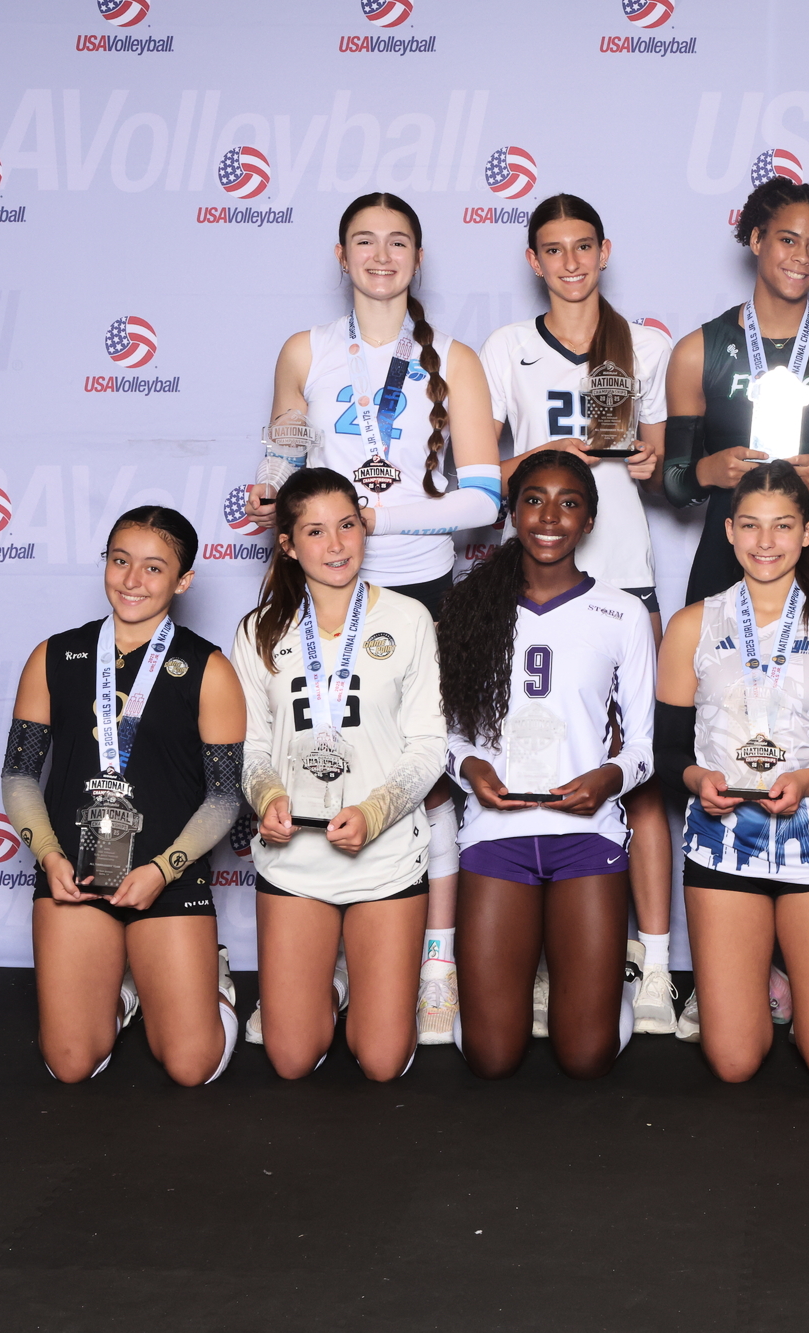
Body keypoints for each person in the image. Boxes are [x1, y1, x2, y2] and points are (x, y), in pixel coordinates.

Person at [245, 192, 497, 1050]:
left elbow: (483, 499)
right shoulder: (305, 351)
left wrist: (378, 517)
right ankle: (329, 961)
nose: (381, 256)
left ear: (418, 258)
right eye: (364, 241)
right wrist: (270, 489)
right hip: (317, 583)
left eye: (397, 243)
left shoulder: (455, 359)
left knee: (428, 773)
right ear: (340, 254)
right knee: (311, 748)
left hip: (418, 588)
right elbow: (282, 456)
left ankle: (435, 961)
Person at [477, 195, 677, 1036]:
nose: (570, 263)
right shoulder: (506, 348)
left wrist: (650, 456)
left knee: (639, 764)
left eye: (583, 247)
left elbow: (660, 464)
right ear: (533, 260)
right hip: (529, 576)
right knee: (521, 742)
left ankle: (655, 964)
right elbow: (483, 477)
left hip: (622, 572)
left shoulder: (645, 344)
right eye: (553, 249)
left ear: (604, 250)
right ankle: (530, 958)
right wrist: (550, 458)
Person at [654, 462, 809, 1082]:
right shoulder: (691, 625)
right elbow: (666, 755)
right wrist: (696, 781)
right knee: (734, 1062)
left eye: (783, 526)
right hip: (723, 837)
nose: (766, 542)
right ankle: (770, 976)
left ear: (808, 532)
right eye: (751, 526)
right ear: (729, 532)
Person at [2, 506, 243, 1085]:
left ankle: (213, 984)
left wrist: (164, 868)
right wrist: (49, 856)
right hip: (74, 875)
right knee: (70, 1064)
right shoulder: (54, 656)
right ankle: (122, 994)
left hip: (167, 876)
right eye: (120, 561)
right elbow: (18, 776)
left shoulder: (208, 667)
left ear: (183, 581)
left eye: (154, 567)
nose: (132, 580)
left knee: (191, 1066)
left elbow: (225, 798)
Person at [439, 451, 655, 1079]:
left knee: (585, 1058)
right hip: (495, 833)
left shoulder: (622, 613)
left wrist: (608, 779)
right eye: (534, 499)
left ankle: (603, 984)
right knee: (491, 1058)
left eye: (569, 502)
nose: (550, 517)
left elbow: (643, 749)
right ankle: (520, 990)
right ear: (512, 512)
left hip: (587, 835)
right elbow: (443, 734)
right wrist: (470, 768)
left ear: (589, 518)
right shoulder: (468, 605)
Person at [231, 467, 446, 1083]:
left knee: (381, 1060)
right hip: (295, 857)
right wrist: (265, 794)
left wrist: (376, 812)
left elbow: (428, 745)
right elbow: (248, 746)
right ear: (288, 544)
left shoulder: (408, 618)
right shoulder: (258, 629)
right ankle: (324, 986)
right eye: (315, 531)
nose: (336, 545)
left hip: (383, 856)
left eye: (347, 525)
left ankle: (361, 986)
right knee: (292, 1058)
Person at [663, 176, 809, 606]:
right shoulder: (697, 351)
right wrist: (708, 471)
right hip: (725, 570)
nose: (802, 258)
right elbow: (675, 485)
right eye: (788, 240)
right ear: (756, 239)